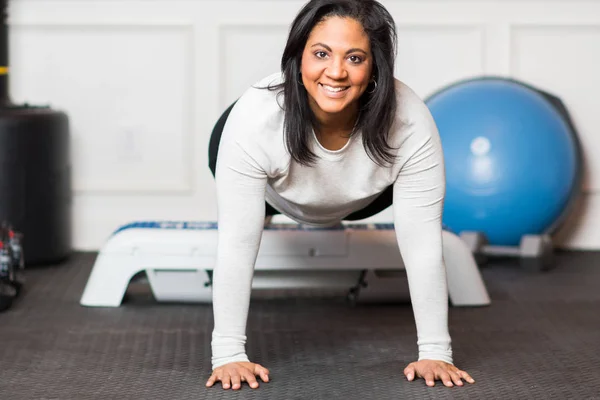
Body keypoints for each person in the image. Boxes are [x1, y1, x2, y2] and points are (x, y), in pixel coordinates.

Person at [205, 0, 475, 391]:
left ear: (376, 68)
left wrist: (436, 351)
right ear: (298, 58)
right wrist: (228, 355)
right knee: (245, 223)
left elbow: (421, 247)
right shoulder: (255, 119)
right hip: (270, 187)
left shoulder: (410, 120)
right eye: (320, 54)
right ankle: (262, 206)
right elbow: (235, 246)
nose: (336, 71)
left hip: (363, 192)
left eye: (355, 57)